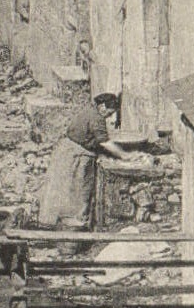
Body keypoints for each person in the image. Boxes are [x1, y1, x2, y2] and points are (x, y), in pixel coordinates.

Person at [37, 92, 131, 230]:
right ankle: (72, 228)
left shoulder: (90, 109)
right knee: (77, 192)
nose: (110, 116)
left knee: (59, 189)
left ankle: (49, 222)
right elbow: (104, 142)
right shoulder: (97, 118)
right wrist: (124, 155)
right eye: (110, 113)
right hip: (76, 156)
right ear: (103, 107)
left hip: (65, 150)